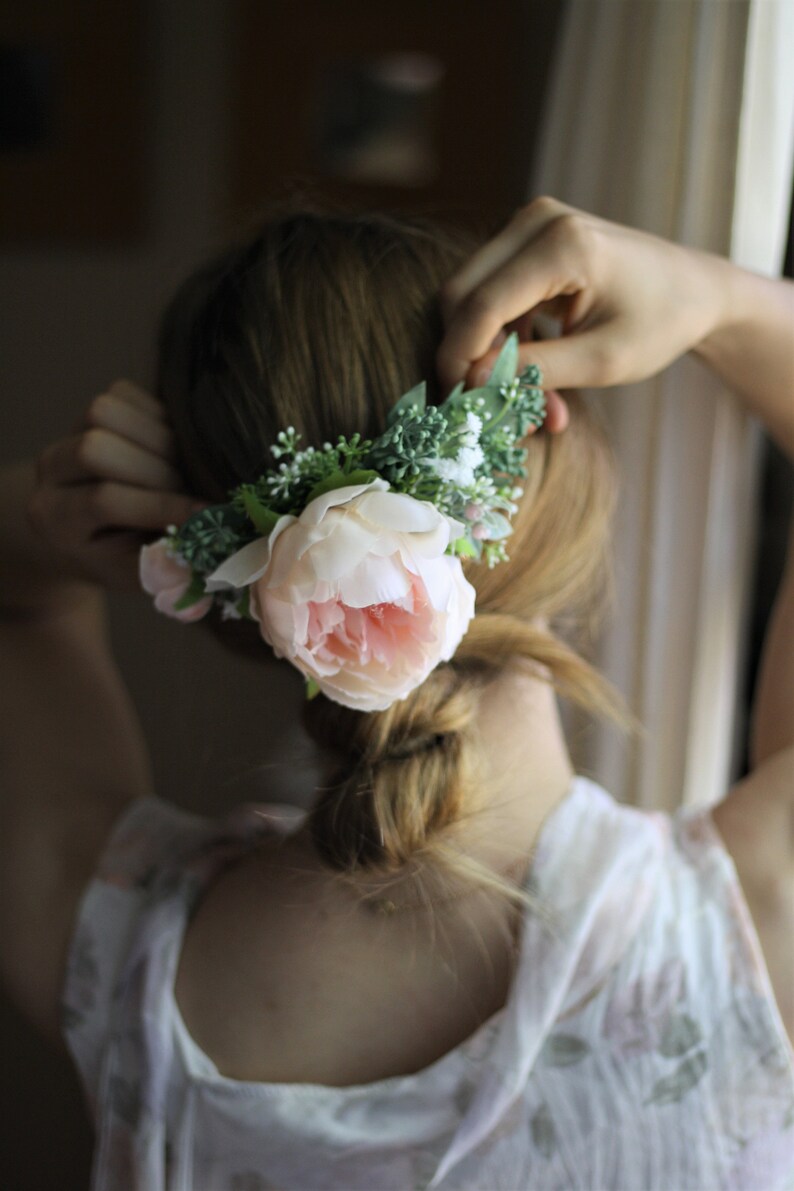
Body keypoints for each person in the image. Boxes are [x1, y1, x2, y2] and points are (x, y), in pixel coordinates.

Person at [1, 196, 792, 1189]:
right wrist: (729, 304)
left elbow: (15, 609)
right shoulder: (748, 938)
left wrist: (41, 509)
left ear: (216, 568)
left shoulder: (121, 958)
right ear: (556, 468)